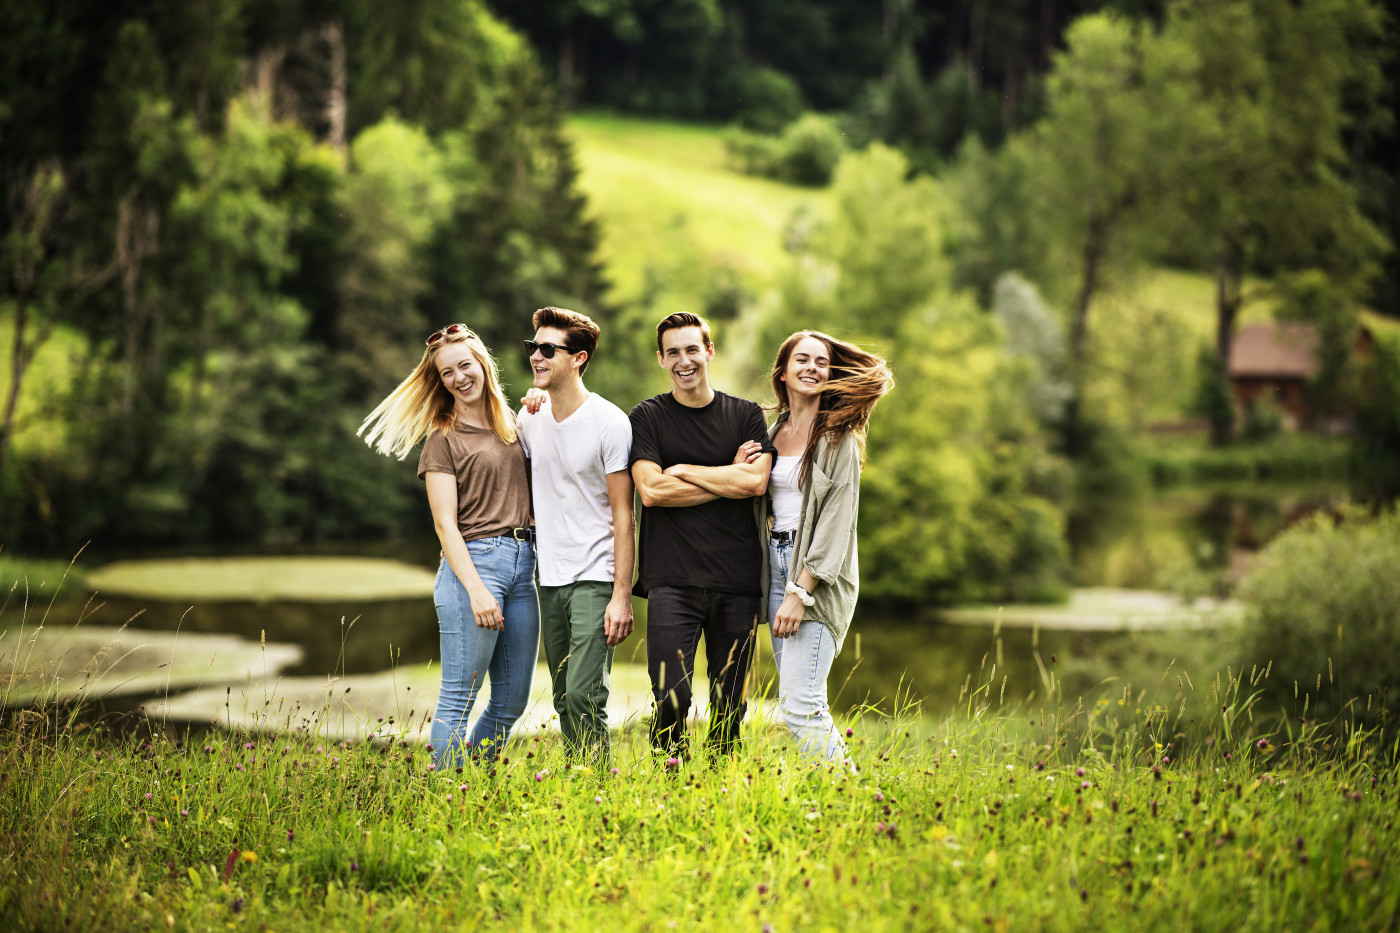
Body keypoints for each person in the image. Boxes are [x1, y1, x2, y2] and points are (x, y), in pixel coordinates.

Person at [358, 324, 539, 769]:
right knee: (459, 697)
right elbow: (444, 523)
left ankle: (470, 780)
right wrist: (477, 589)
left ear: (483, 364)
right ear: (439, 381)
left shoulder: (514, 424)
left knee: (512, 699)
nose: (459, 377)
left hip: (524, 568)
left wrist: (539, 402)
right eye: (447, 373)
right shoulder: (443, 437)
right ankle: (449, 794)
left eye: (465, 365)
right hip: (475, 569)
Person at [629, 312, 776, 758]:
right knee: (670, 698)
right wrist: (726, 475)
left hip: (738, 581)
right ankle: (669, 785)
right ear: (661, 359)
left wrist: (691, 471)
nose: (684, 360)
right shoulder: (648, 417)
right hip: (671, 581)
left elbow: (754, 484)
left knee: (730, 704)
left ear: (709, 352)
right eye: (673, 352)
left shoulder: (747, 415)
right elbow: (652, 491)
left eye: (692, 349)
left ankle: (717, 791)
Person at [746, 330, 892, 770]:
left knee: (801, 705)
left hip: (815, 578)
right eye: (802, 360)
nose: (811, 368)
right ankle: (837, 795)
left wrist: (800, 592)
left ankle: (850, 794)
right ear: (784, 371)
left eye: (821, 362)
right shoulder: (772, 433)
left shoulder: (838, 439)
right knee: (797, 703)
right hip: (775, 567)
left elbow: (837, 523)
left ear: (830, 375)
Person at [516, 306, 634, 763]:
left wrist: (621, 594)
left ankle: (598, 787)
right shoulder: (529, 418)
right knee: (564, 695)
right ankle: (582, 782)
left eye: (548, 349)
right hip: (550, 578)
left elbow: (624, 515)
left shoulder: (610, 422)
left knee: (586, 693)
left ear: (579, 358)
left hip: (595, 576)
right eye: (534, 348)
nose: (536, 357)